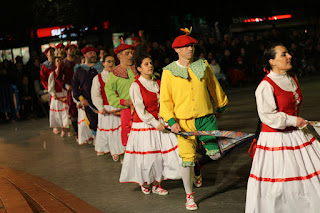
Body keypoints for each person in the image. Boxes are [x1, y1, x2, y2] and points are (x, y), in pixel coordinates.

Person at [245, 43, 320, 213]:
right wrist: (294, 121)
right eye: (283, 54)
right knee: (282, 182)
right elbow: (268, 116)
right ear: (272, 61)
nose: (289, 56)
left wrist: (297, 122)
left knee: (309, 175)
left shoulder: (292, 78)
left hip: (297, 135)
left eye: (288, 53)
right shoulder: (265, 86)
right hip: (276, 139)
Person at [159, 27, 228, 210]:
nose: (190, 49)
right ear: (177, 50)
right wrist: (171, 122)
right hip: (183, 122)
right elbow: (165, 100)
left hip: (206, 118)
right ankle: (189, 196)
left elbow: (214, 85)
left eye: (192, 46)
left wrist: (221, 104)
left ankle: (199, 165)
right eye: (186, 46)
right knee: (186, 160)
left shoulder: (202, 65)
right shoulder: (168, 71)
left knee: (216, 155)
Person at [120, 55, 181, 195]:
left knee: (162, 155)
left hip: (160, 123)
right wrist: (154, 123)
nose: (150, 66)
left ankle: (157, 183)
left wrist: (165, 121)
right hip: (144, 125)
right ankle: (145, 182)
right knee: (148, 157)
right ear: (139, 68)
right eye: (146, 64)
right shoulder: (136, 85)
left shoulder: (158, 83)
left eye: (151, 63)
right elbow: (140, 110)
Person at [105, 38, 138, 146]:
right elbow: (110, 94)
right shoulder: (114, 74)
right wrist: (123, 101)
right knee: (129, 140)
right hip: (127, 111)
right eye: (127, 53)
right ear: (119, 56)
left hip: (143, 109)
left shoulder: (139, 68)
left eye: (131, 53)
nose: (130, 56)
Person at [91, 55, 125, 160]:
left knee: (119, 131)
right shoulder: (98, 78)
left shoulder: (119, 76)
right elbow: (95, 94)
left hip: (118, 107)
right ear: (103, 63)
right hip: (106, 108)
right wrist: (101, 108)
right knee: (108, 130)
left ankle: (119, 151)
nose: (111, 64)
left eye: (113, 62)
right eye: (108, 61)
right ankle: (112, 150)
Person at [72, 46, 103, 142]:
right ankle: (97, 141)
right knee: (93, 122)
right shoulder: (79, 70)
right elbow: (74, 87)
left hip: (102, 99)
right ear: (85, 55)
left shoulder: (101, 67)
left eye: (94, 53)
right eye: (90, 53)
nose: (93, 55)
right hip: (88, 101)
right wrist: (81, 99)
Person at [56, 44, 79, 140]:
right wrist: (66, 85)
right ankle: (77, 132)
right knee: (73, 111)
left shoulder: (79, 60)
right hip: (71, 89)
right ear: (66, 51)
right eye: (70, 49)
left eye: (74, 49)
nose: (72, 50)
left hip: (82, 88)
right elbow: (58, 78)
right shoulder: (63, 63)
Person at [48, 57, 70, 136]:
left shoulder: (65, 73)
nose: (59, 62)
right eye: (57, 61)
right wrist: (53, 95)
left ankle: (65, 128)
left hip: (65, 95)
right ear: (55, 63)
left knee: (65, 113)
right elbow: (51, 86)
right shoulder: (53, 74)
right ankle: (60, 128)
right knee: (58, 114)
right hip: (57, 96)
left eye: (61, 61)